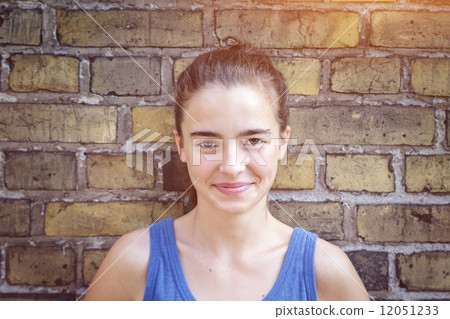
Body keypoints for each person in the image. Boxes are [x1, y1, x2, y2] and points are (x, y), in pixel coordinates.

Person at [84, 45, 369, 301]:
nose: (232, 167)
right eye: (208, 143)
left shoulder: (328, 273)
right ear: (181, 146)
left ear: (283, 143)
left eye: (254, 141)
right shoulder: (134, 262)